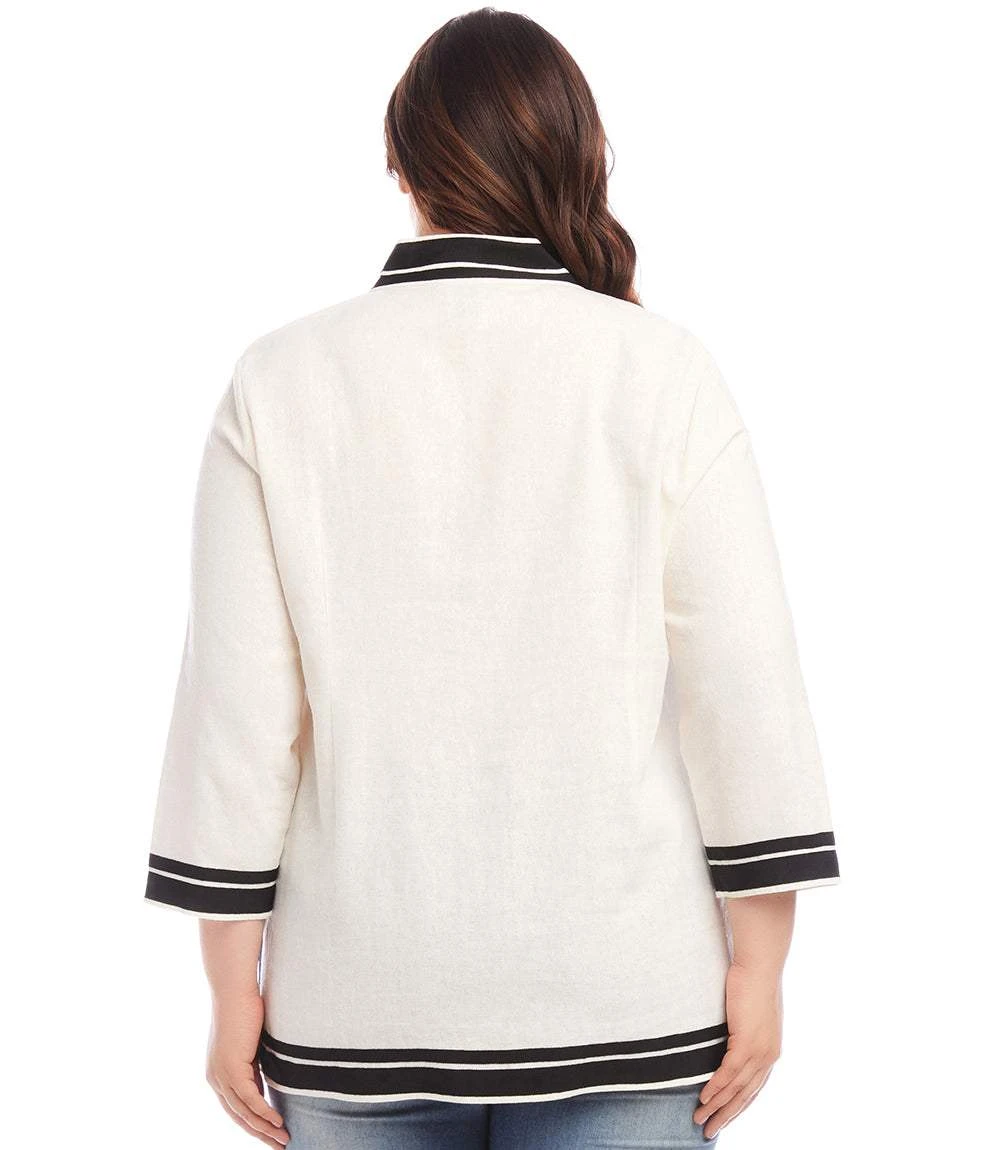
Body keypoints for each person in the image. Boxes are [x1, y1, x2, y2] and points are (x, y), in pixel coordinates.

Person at [142, 8, 841, 1148]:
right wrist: (761, 968)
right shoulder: (662, 372)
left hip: (358, 1006)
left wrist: (229, 989)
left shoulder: (279, 380)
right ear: (579, 156)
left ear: (399, 162)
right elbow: (743, 689)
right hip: (624, 1002)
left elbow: (237, 715)